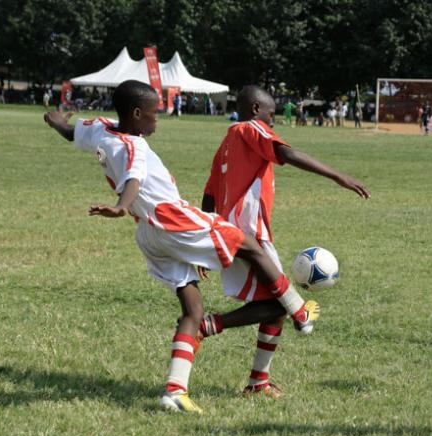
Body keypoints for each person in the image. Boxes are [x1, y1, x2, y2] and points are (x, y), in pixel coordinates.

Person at [43, 80, 318, 413]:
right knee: (249, 245)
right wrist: (121, 204)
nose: (157, 119)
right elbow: (134, 179)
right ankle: (300, 311)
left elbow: (71, 132)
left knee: (193, 310)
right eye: (153, 113)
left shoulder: (100, 130)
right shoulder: (135, 147)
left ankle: (174, 391)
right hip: (173, 220)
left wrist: (55, 119)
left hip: (149, 233)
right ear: (136, 114)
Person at [199, 85, 370, 397]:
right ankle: (210, 326)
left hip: (228, 229)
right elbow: (286, 153)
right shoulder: (251, 128)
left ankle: (257, 381)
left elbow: (209, 195)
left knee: (274, 307)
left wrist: (202, 242)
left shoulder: (225, 142)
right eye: (271, 114)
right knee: (284, 303)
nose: (272, 122)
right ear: (255, 110)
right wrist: (338, 176)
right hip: (247, 229)